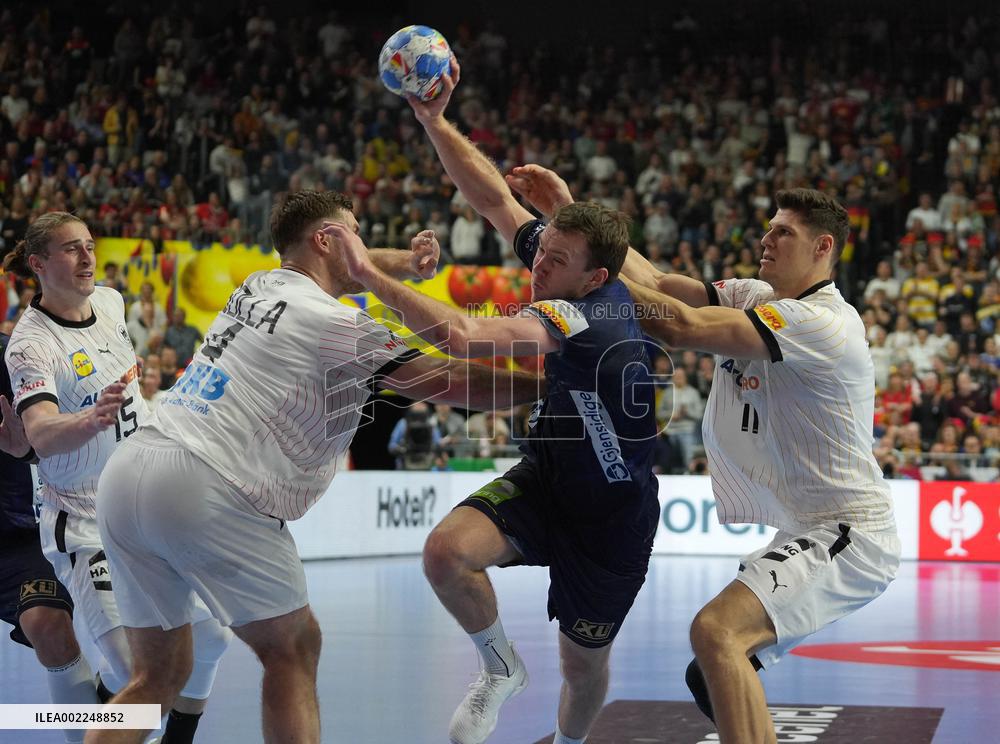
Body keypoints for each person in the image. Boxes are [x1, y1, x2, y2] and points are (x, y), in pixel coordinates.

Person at [85, 190, 542, 744]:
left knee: (153, 679)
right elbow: (455, 381)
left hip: (130, 472)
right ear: (327, 240)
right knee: (293, 650)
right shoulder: (334, 323)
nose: (363, 247)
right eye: (353, 232)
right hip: (207, 485)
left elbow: (344, 263)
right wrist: (553, 388)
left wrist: (403, 263)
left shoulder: (257, 285)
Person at [509, 169, 900, 744]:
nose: (766, 239)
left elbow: (684, 326)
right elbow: (667, 286)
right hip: (810, 526)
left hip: (848, 532)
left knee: (716, 632)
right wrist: (576, 217)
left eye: (784, 233)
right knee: (710, 673)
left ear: (823, 248)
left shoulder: (822, 322)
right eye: (768, 229)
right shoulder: (757, 296)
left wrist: (586, 271)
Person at [336, 56, 660, 744]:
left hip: (613, 521)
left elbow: (462, 333)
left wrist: (368, 274)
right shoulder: (568, 274)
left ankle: (568, 743)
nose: (538, 265)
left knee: (582, 668)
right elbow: (493, 202)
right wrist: (434, 120)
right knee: (444, 553)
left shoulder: (587, 317)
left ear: (596, 276)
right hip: (548, 479)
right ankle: (499, 669)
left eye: (554, 262)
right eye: (541, 254)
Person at [3, 212, 234, 744]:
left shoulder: (110, 302)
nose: (87, 258)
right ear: (38, 264)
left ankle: (135, 718)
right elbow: (38, 432)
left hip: (147, 507)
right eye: (70, 249)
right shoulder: (31, 344)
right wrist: (90, 418)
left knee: (213, 637)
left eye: (89, 246)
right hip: (86, 521)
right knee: (143, 674)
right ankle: (107, 716)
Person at [1, 333, 101, 744]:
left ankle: (99, 737)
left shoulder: (19, 356)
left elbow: (71, 435)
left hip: (21, 534)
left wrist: (28, 452)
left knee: (50, 625)